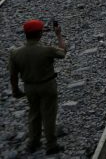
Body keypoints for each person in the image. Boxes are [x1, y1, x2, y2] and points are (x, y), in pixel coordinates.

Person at [8, 19, 67, 155]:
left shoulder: (16, 53)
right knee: (49, 114)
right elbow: (63, 52)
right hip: (47, 85)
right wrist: (58, 35)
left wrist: (15, 90)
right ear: (40, 34)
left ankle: (33, 142)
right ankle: (51, 144)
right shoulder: (47, 50)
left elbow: (13, 75)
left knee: (34, 114)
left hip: (30, 88)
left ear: (26, 34)